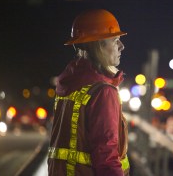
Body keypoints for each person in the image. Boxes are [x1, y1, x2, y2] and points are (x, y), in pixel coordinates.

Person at [48, 9, 130, 176]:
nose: (122, 46)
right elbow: (106, 158)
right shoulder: (103, 92)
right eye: (115, 41)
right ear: (98, 45)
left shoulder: (68, 85)